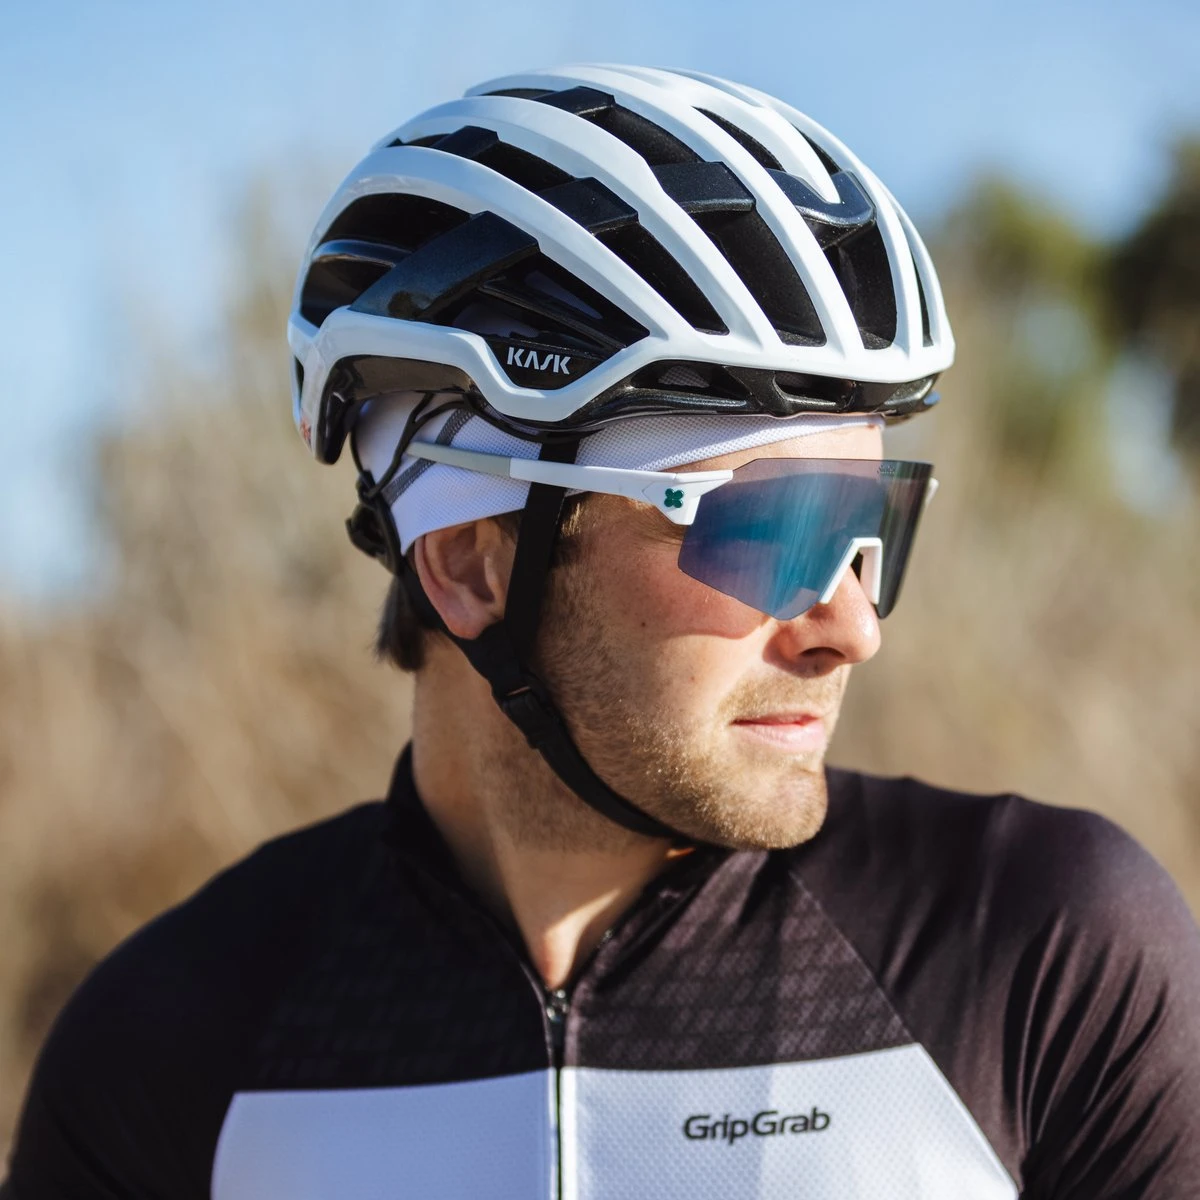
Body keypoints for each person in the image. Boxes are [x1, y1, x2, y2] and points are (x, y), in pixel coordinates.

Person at [4, 64, 1199, 1200]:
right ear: (469, 562)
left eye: (870, 524)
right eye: (770, 527)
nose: (851, 627)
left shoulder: (1039, 952)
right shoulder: (172, 1045)